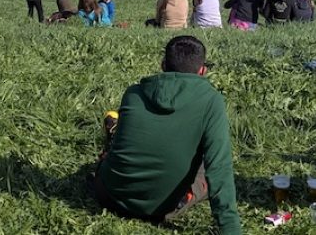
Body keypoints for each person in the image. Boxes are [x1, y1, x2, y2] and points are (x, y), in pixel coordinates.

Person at [93, 36, 241, 233]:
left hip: (110, 196)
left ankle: (113, 134)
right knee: (205, 168)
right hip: (162, 207)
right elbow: (219, 168)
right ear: (202, 71)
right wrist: (231, 229)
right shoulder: (211, 101)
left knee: (117, 148)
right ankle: (183, 196)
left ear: (163, 65)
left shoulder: (133, 93)